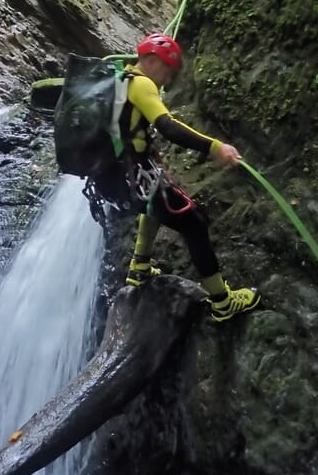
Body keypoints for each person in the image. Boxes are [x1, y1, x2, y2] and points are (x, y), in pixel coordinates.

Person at [92, 32, 260, 322]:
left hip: (111, 179)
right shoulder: (142, 84)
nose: (167, 79)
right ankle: (222, 302)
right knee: (194, 223)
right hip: (131, 178)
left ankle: (139, 268)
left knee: (156, 203)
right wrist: (216, 147)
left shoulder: (120, 81)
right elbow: (168, 126)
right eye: (168, 71)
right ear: (153, 61)